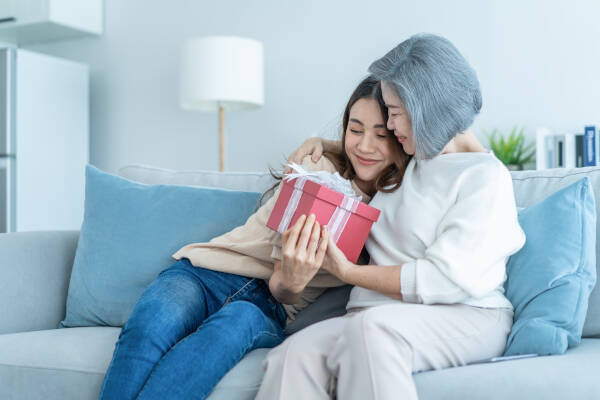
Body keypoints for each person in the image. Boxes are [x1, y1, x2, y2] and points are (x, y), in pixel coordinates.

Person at [98, 76, 409, 400]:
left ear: (401, 136)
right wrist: (326, 144)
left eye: (381, 135)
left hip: (266, 307)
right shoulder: (319, 166)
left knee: (234, 323)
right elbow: (340, 161)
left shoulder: (395, 211)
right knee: (152, 324)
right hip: (206, 273)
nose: (364, 145)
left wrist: (292, 280)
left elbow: (282, 291)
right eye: (355, 130)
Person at [255, 33, 526, 400]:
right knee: (292, 356)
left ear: (425, 110)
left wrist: (347, 272)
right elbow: (369, 150)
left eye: (395, 115)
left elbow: (444, 279)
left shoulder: (484, 178)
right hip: (372, 317)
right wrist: (328, 145)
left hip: (467, 314)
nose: (392, 127)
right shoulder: (412, 161)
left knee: (371, 331)